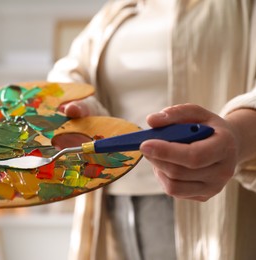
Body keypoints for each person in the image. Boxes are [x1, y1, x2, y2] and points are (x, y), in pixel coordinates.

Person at [47, 0, 256, 260]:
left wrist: (237, 134)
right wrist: (81, 106)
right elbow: (69, 72)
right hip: (115, 207)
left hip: (214, 209)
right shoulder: (116, 12)